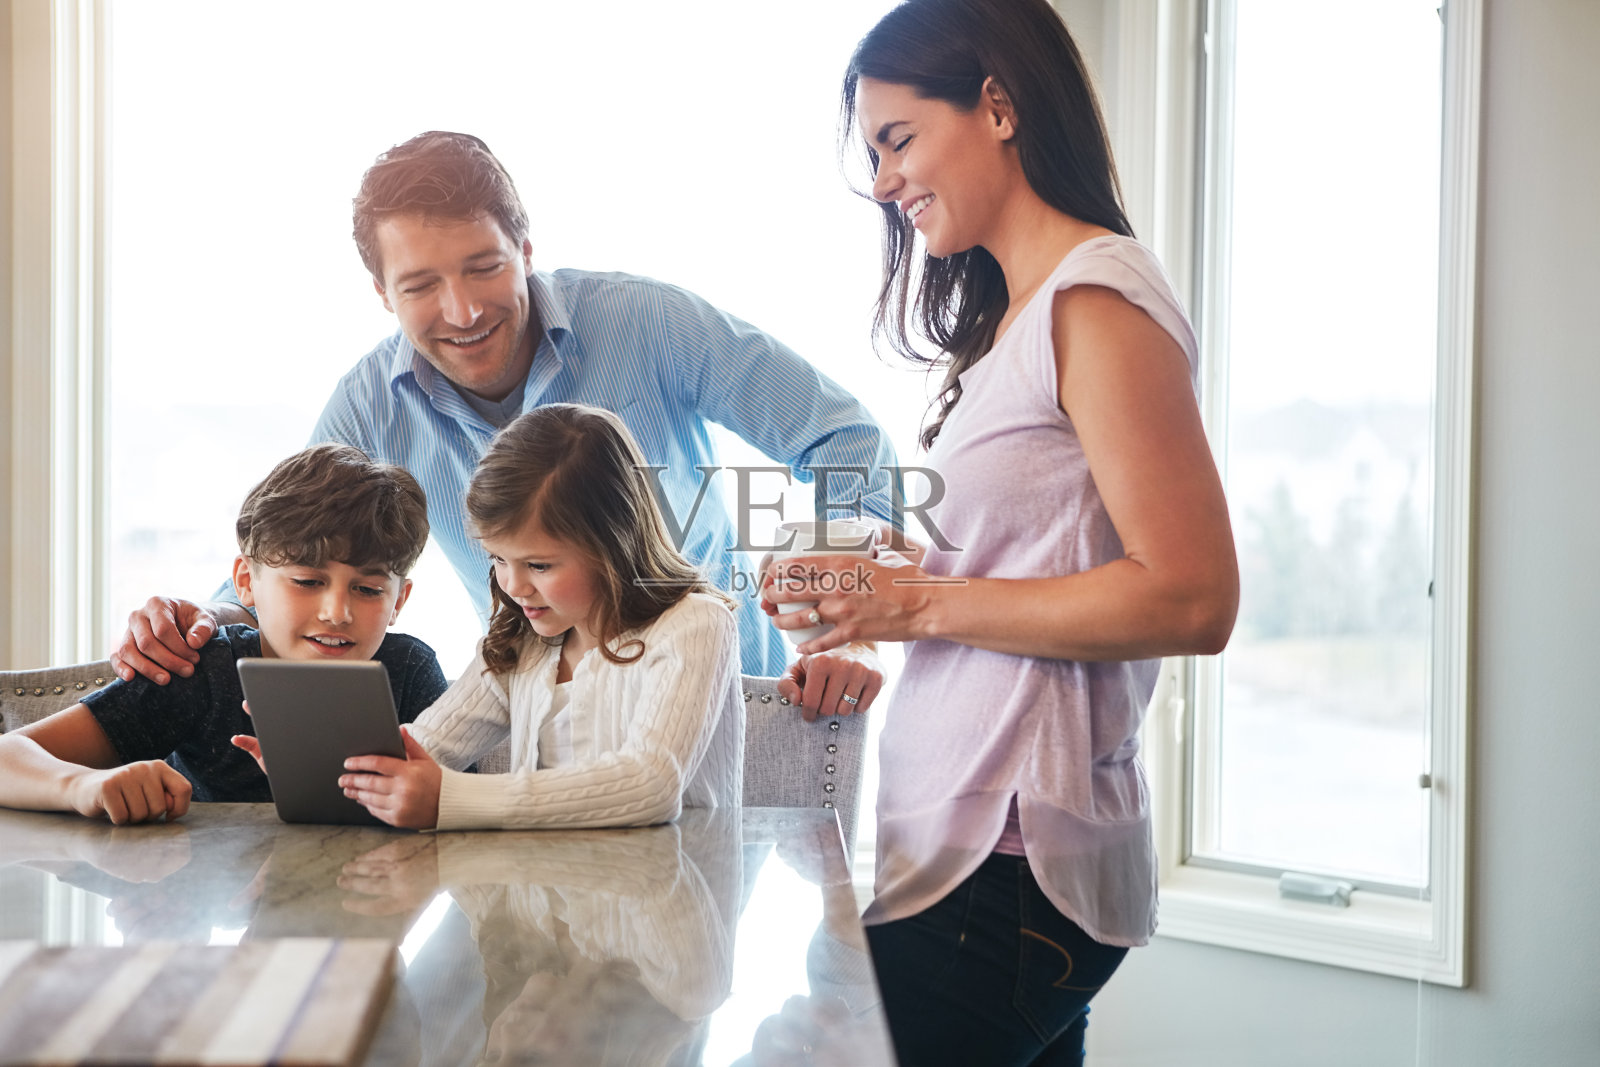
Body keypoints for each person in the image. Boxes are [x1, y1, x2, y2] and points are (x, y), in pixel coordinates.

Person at [763, 1, 1241, 1062]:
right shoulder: (1012, 326)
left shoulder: (1098, 298)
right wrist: (872, 582)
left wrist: (918, 601)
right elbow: (1030, 565)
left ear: (997, 103)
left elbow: (1191, 595)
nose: (882, 181)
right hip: (970, 853)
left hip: (1012, 860)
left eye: (896, 139)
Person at [109, 130, 897, 717]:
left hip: (720, 712)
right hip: (536, 727)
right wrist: (198, 620)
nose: (464, 311)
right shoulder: (368, 407)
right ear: (382, 293)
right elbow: (287, 559)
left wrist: (843, 621)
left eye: (485, 267)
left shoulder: (651, 323)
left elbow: (850, 445)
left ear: (524, 248)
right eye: (421, 283)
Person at [332, 404, 742, 832]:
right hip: (546, 889)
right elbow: (427, 747)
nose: (514, 585)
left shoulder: (695, 624)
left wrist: (452, 798)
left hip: (672, 887)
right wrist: (329, 772)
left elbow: (650, 785)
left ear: (613, 545)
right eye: (499, 559)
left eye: (540, 566)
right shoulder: (524, 640)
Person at [0, 445, 446, 824]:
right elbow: (8, 756)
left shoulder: (409, 671)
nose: (336, 612)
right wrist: (84, 784)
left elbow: (459, 802)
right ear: (246, 581)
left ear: (398, 602)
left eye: (367, 590)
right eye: (308, 582)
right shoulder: (203, 671)